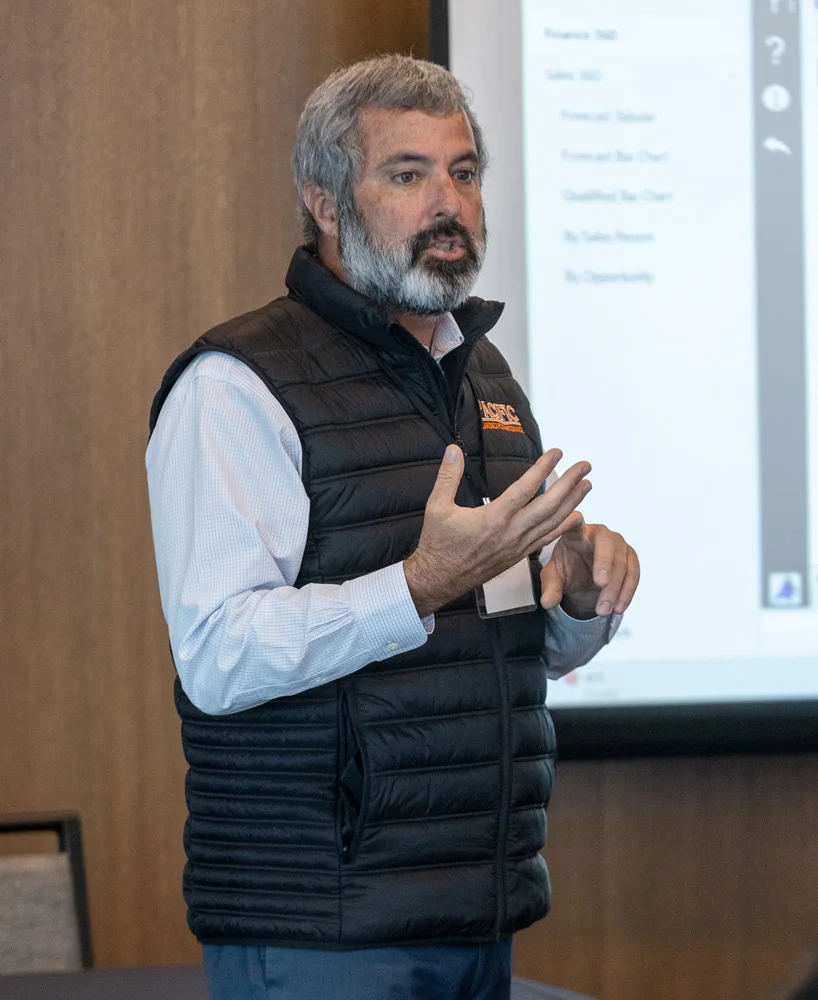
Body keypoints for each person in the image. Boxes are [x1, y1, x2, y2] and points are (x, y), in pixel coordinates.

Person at [146, 54, 639, 1000]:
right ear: (326, 202)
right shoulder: (235, 385)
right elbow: (218, 656)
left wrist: (576, 601)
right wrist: (417, 584)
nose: (447, 202)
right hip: (322, 932)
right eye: (406, 175)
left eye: (463, 171)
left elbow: (497, 637)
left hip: (476, 909)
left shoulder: (485, 379)